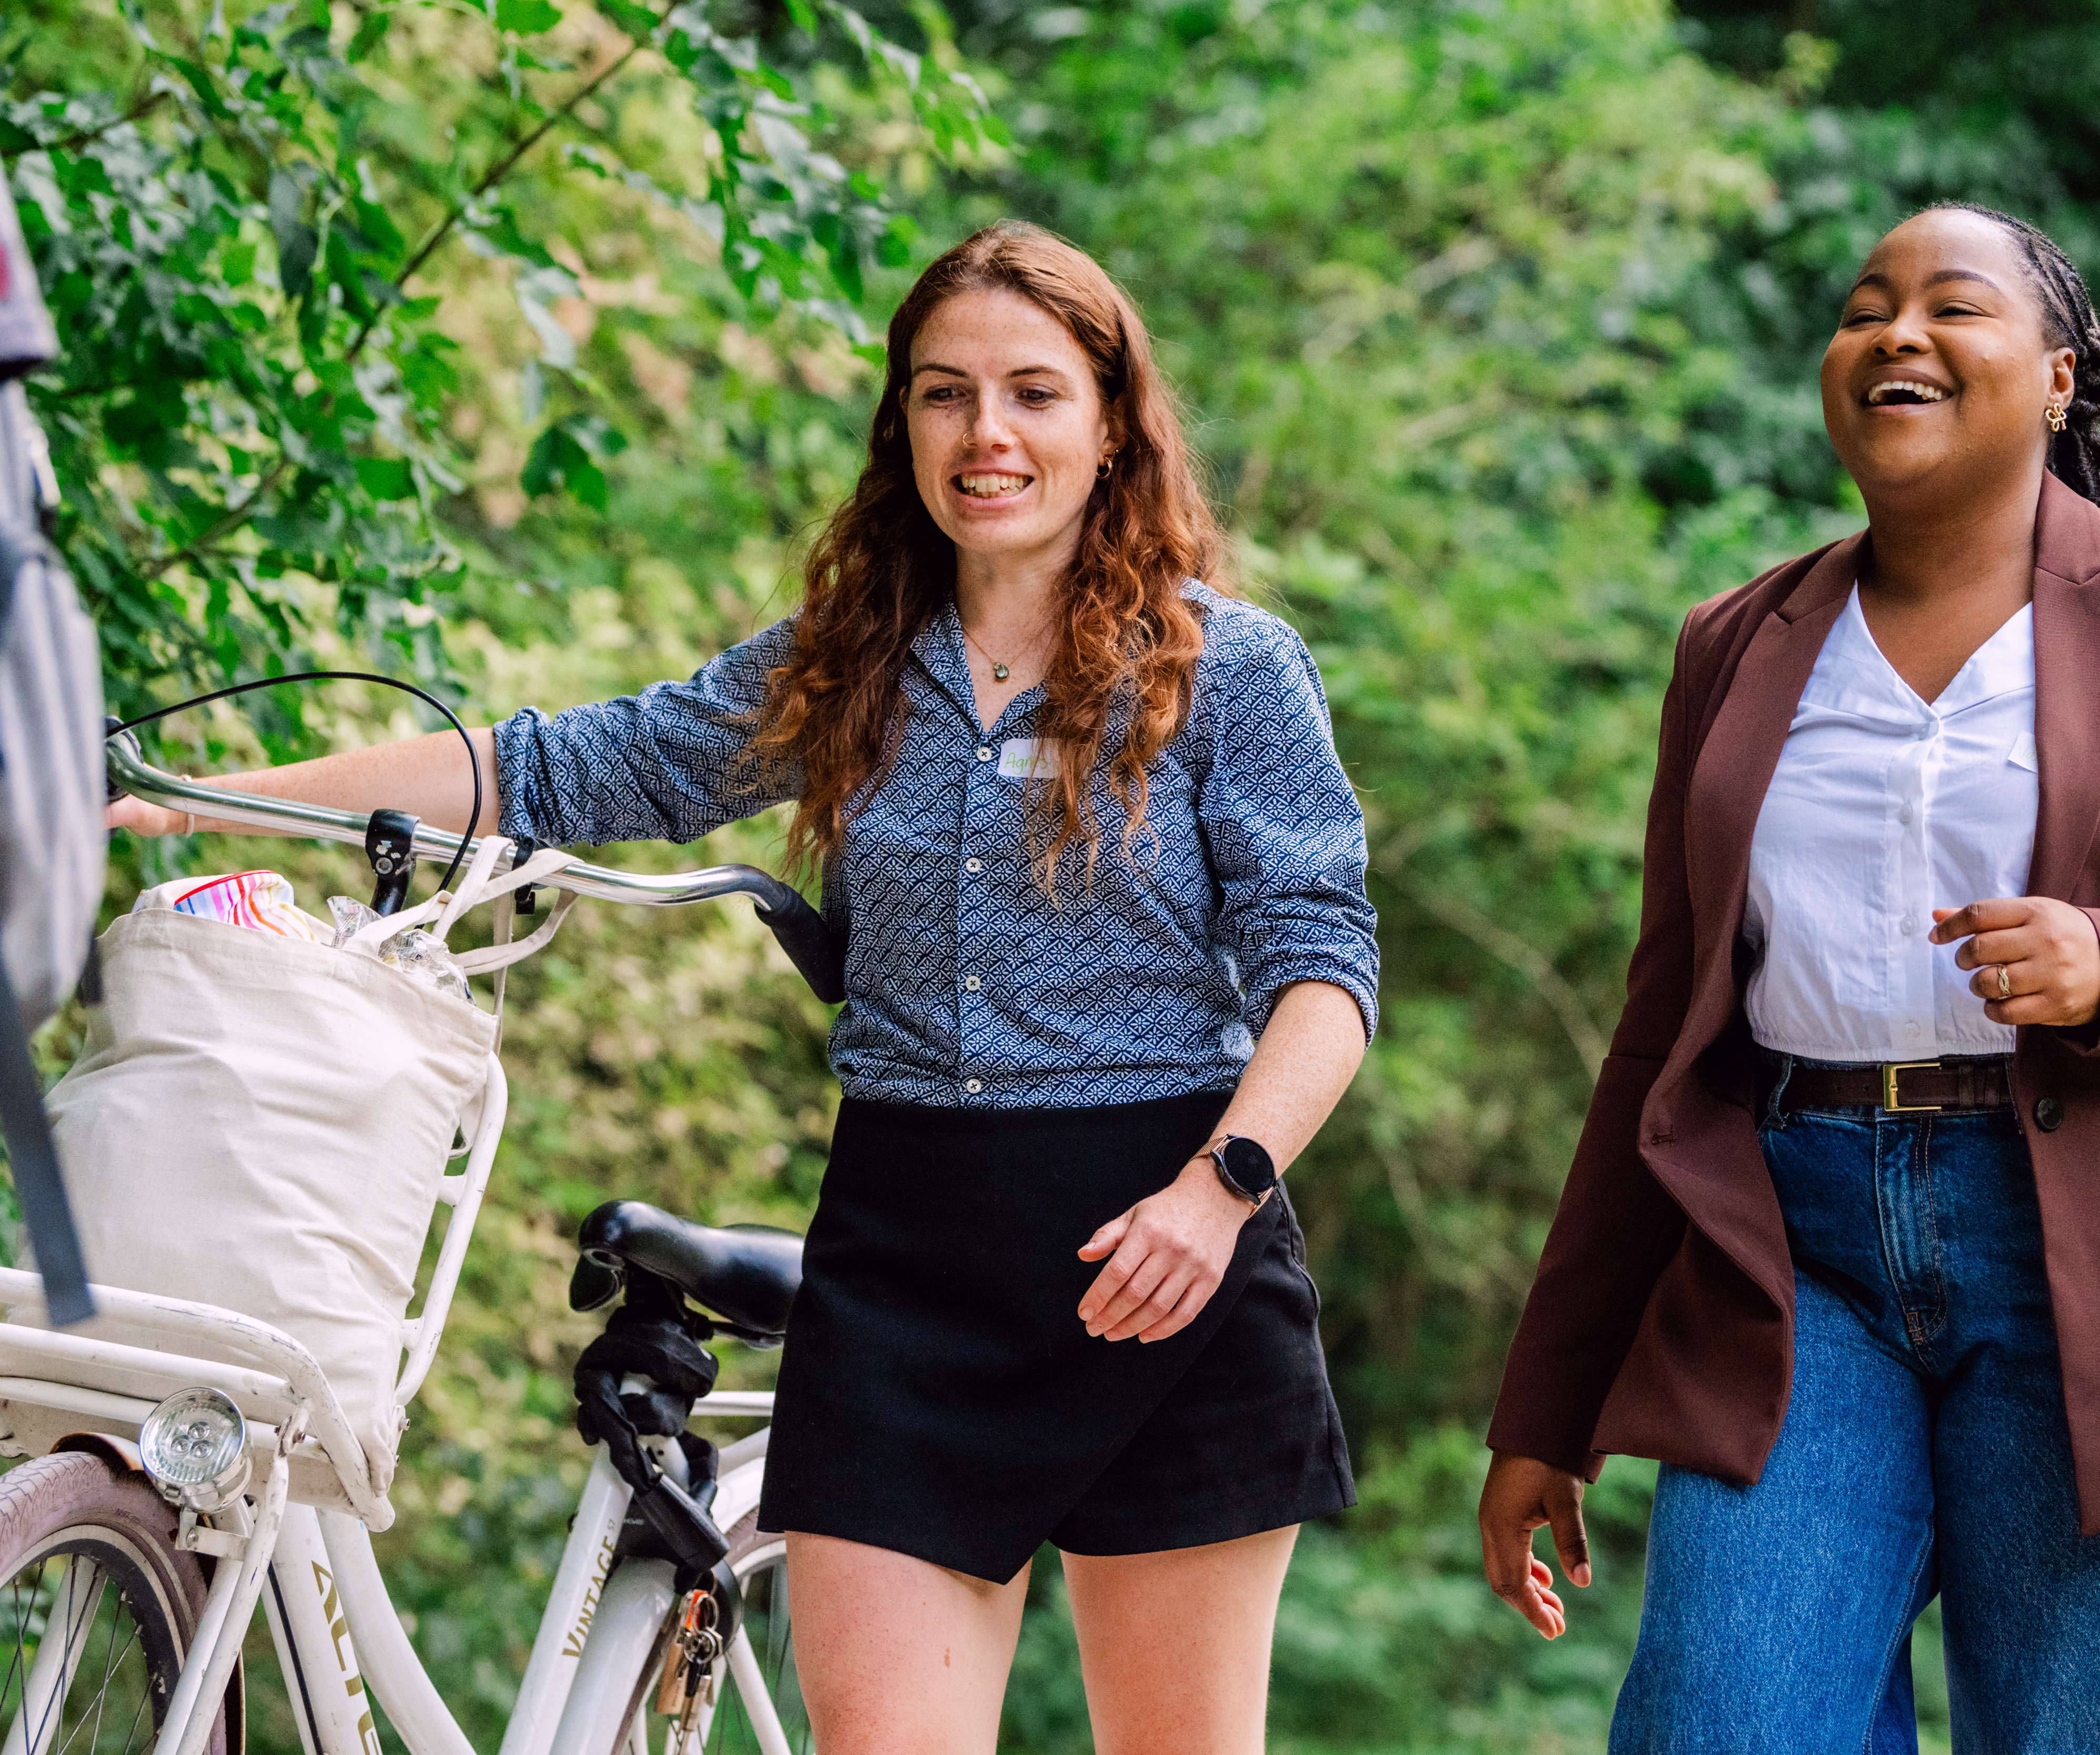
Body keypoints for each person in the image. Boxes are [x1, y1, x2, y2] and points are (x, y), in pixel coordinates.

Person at [110, 221, 1377, 1754]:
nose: (988, 434)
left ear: (1112, 425)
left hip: (1162, 1258)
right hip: (909, 1263)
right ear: (902, 421)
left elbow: (1326, 965)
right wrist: (204, 802)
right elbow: (565, 767)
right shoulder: (850, 662)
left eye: (1035, 394)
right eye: (944, 392)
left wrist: (1222, 1185)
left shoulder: (1224, 671)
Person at [1474, 203, 2100, 1752]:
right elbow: (1665, 1037)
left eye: (1950, 306)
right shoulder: (1738, 642)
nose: (1896, 333)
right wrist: (1548, 1410)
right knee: (1720, 1724)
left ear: (2060, 378)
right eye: (1865, 308)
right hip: (1795, 1252)